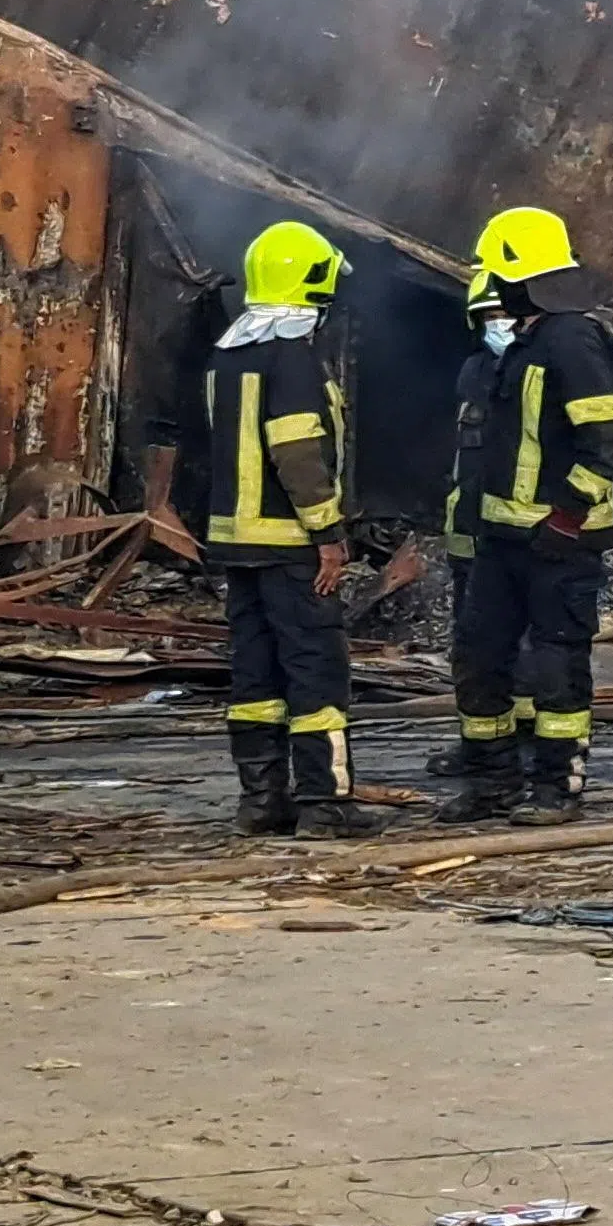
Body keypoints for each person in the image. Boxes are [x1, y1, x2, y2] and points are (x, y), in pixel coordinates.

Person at [450, 205, 613, 822]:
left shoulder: (571, 338)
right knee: (480, 655)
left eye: (493, 272)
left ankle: (556, 789)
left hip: (557, 542)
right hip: (501, 539)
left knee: (555, 665)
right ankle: (489, 783)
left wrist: (569, 515)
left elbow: (606, 437)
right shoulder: (518, 346)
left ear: (517, 272)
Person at [198, 220, 361, 836]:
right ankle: (325, 805)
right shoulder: (291, 359)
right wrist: (328, 534)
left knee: (255, 675)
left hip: (238, 547)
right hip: (293, 546)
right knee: (316, 670)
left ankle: (260, 802)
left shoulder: (227, 355)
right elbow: (297, 456)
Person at [418, 268, 512, 806]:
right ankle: (478, 749)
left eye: (506, 315)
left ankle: (513, 758)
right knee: (471, 652)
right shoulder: (474, 372)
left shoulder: (536, 373)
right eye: (489, 317)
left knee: (513, 654)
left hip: (509, 539)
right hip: (468, 535)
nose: (498, 325)